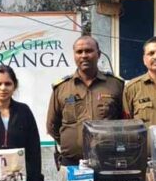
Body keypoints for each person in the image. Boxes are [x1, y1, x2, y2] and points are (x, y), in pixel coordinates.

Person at [47, 35, 124, 167]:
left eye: (88, 51)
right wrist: (71, 143)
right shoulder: (62, 88)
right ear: (74, 55)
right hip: (72, 162)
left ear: (98, 54)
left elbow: (126, 121)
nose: (84, 55)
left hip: (109, 161)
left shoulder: (116, 85)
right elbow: (52, 125)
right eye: (79, 52)